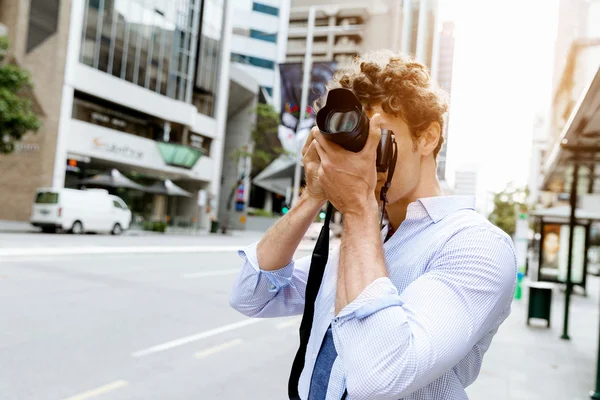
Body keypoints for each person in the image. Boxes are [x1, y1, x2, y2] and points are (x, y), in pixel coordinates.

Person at [229, 50, 517, 400]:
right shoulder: (367, 242)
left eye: (377, 138)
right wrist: (313, 194)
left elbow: (383, 375)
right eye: (354, 144)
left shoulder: (474, 244)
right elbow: (252, 295)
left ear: (427, 138)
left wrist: (358, 206)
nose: (361, 158)